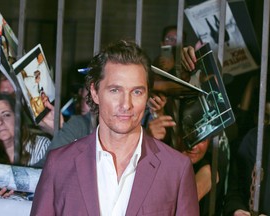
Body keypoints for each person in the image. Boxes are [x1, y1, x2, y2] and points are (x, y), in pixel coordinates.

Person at [30, 39, 199, 215]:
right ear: (94, 92)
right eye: (115, 90)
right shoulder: (60, 164)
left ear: (147, 94)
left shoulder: (176, 169)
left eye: (137, 92)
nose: (126, 104)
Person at [0, 94, 51, 200]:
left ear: (18, 118)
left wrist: (12, 193)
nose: (0, 122)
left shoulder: (40, 145)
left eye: (6, 115)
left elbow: (44, 190)